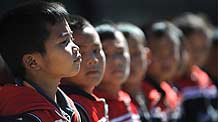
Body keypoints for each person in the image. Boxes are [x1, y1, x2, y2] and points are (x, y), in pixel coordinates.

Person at [0, 1, 82, 122]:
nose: (76, 47)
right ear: (32, 62)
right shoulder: (21, 116)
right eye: (64, 41)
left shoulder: (68, 106)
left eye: (72, 38)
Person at [60, 16, 109, 122]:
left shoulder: (90, 99)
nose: (93, 60)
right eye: (80, 52)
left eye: (96, 50)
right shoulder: (69, 109)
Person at [173, 13, 218, 122]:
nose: (198, 54)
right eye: (192, 47)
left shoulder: (204, 78)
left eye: (203, 47)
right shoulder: (172, 82)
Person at [94, 23, 141, 122]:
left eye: (120, 52)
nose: (117, 61)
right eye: (106, 54)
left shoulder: (127, 99)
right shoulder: (94, 108)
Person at [142, 21, 183, 121]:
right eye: (157, 52)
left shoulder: (171, 90)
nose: (166, 59)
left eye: (171, 52)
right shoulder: (141, 95)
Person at [116, 22, 150, 121]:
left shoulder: (156, 94)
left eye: (135, 54)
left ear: (147, 56)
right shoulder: (109, 104)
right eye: (120, 54)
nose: (129, 61)